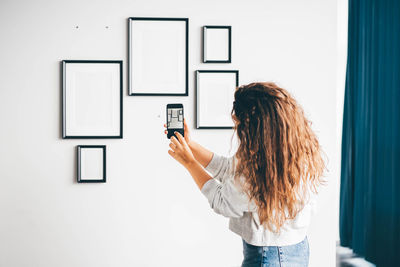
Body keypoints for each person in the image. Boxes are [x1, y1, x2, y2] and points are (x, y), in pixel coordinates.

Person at [164, 82, 325, 267]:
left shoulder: (259, 167)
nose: (235, 121)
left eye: (238, 119)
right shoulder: (292, 151)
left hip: (269, 257)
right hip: (296, 249)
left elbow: (222, 201)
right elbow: (230, 170)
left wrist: (189, 163)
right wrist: (190, 145)